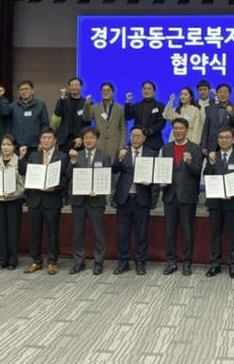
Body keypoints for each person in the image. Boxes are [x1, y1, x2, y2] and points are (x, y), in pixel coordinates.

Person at [19, 127, 68, 275]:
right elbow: (23, 172)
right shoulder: (33, 156)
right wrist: (21, 158)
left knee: (52, 232)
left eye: (49, 138)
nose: (46, 140)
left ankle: (52, 262)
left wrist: (55, 187)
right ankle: (36, 261)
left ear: (55, 140)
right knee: (35, 232)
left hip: (52, 200)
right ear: (40, 140)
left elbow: (66, 179)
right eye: (44, 138)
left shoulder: (62, 156)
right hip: (35, 200)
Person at [160, 118, 203, 276]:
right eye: (175, 128)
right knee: (169, 232)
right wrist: (161, 181)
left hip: (188, 196)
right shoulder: (166, 148)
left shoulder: (195, 148)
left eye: (181, 128)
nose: (178, 131)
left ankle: (187, 263)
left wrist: (190, 162)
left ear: (187, 130)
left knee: (187, 231)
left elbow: (198, 173)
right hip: (170, 195)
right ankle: (171, 262)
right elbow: (162, 170)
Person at [111, 126, 156, 275]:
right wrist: (119, 158)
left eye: (138, 136)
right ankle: (123, 262)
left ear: (144, 138)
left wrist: (150, 183)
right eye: (133, 135)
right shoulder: (123, 152)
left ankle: (140, 262)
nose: (135, 138)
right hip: (124, 199)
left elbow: (155, 176)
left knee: (141, 233)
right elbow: (114, 169)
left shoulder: (151, 154)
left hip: (141, 199)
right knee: (122, 233)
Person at [68, 127, 111, 276]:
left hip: (96, 200)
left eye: (92, 137)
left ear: (97, 139)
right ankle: (78, 262)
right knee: (77, 233)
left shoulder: (104, 156)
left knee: (98, 233)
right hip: (78, 200)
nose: (89, 140)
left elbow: (107, 177)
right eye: (86, 138)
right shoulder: (76, 155)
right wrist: (73, 161)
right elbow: (68, 175)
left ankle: (98, 262)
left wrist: (99, 190)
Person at [204, 126, 234, 279]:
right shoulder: (213, 156)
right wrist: (211, 162)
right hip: (215, 202)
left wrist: (232, 192)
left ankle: (232, 265)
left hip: (232, 203)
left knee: (233, 235)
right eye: (221, 137)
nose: (224, 140)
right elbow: (207, 176)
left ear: (233, 140)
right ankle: (215, 264)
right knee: (215, 234)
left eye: (227, 137)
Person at [0, 134, 24, 270]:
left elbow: (23, 184)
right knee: (0, 231)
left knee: (13, 231)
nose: (6, 147)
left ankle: (13, 260)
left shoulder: (19, 162)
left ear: (14, 147)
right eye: (3, 145)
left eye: (9, 145)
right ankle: (1, 260)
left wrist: (13, 193)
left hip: (14, 201)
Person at [81, 82, 127, 163]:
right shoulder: (95, 108)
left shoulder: (121, 109)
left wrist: (122, 146)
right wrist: (87, 104)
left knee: (113, 168)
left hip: (114, 146)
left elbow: (123, 128)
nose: (106, 92)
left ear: (113, 92)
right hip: (99, 144)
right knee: (99, 167)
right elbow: (87, 118)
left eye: (108, 90)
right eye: (104, 90)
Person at [10, 80, 50, 156]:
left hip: (35, 146)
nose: (24, 91)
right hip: (17, 146)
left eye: (26, 89)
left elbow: (45, 125)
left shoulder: (41, 105)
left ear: (32, 90)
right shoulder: (13, 106)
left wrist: (42, 142)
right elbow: (9, 125)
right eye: (21, 90)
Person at [200, 83, 234, 153]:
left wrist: (232, 114)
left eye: (225, 92)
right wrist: (204, 146)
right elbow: (206, 128)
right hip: (212, 146)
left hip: (230, 145)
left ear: (230, 94)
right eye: (220, 92)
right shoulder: (210, 109)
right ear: (216, 94)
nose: (222, 94)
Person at [125, 81, 166, 152]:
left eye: (149, 89)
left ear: (154, 92)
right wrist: (128, 102)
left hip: (154, 143)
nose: (146, 91)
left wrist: (148, 131)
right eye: (144, 89)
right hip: (137, 143)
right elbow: (127, 117)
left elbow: (161, 124)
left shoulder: (160, 106)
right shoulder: (136, 106)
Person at [54, 77, 88, 153]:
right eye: (72, 85)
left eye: (76, 85)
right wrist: (62, 98)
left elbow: (87, 123)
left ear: (81, 87)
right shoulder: (64, 100)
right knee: (63, 160)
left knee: (79, 160)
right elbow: (58, 113)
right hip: (64, 139)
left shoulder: (86, 103)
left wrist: (81, 137)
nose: (74, 87)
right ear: (69, 87)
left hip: (79, 140)